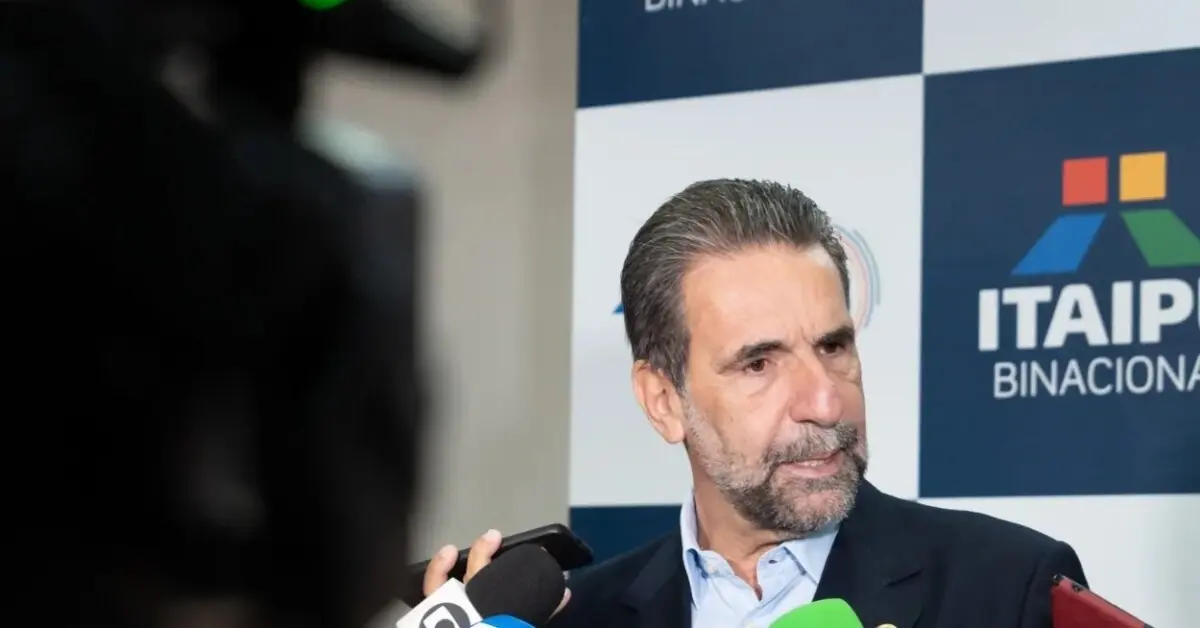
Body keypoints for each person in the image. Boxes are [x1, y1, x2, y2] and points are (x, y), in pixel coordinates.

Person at [425, 179, 1086, 627]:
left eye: (833, 346)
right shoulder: (580, 616)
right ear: (663, 401)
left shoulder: (1008, 588)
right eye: (759, 363)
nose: (825, 402)